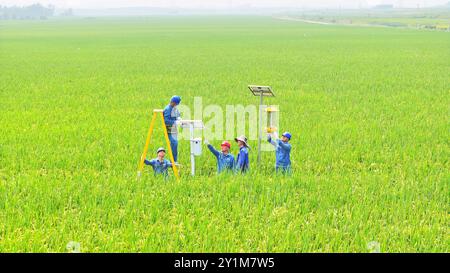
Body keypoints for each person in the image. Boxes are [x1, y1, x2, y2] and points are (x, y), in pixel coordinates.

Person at [163, 95, 181, 162]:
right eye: (176, 104)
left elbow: (178, 115)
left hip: (174, 130)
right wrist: (175, 122)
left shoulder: (175, 109)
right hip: (169, 130)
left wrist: (179, 119)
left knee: (175, 145)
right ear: (173, 102)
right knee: (174, 143)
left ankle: (174, 160)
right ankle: (173, 161)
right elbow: (166, 121)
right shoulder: (168, 109)